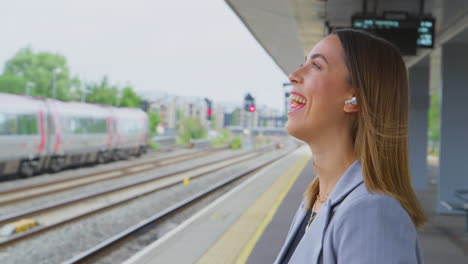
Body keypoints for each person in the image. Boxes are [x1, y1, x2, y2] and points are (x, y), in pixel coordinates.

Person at [274, 29, 427, 264]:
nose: (293, 75)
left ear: (353, 99)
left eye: (316, 66)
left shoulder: (372, 215)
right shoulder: (314, 202)